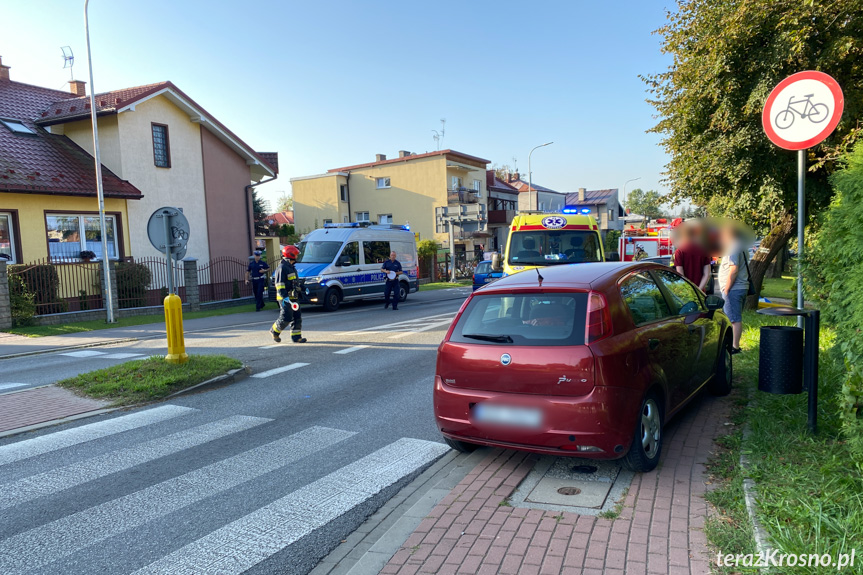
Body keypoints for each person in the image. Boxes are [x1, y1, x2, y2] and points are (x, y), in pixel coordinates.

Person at [718, 227, 748, 354]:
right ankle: (734, 344)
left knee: (733, 319)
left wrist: (727, 289)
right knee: (734, 317)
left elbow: (733, 269)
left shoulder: (733, 247)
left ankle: (734, 346)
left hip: (734, 288)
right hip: (739, 287)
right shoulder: (741, 246)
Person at [270, 245, 306, 343]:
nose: (297, 256)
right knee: (286, 317)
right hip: (285, 298)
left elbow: (294, 282)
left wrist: (302, 288)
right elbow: (279, 284)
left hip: (294, 297)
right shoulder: (282, 268)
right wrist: (285, 297)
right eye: (296, 254)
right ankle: (275, 331)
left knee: (297, 317)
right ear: (291, 255)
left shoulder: (291, 267)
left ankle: (296, 337)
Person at [673, 226, 712, 292]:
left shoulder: (679, 251)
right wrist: (699, 290)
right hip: (701, 292)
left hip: (686, 292)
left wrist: (689, 291)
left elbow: (681, 275)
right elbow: (707, 274)